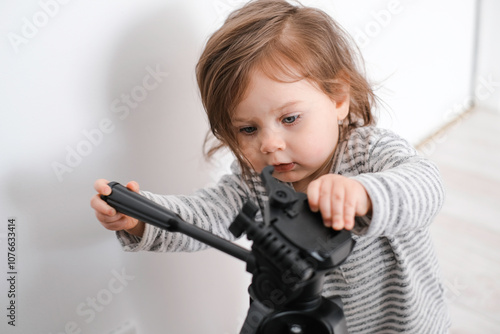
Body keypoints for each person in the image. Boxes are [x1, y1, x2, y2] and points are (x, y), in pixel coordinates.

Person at [90, 0, 450, 332]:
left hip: (405, 323)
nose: (269, 144)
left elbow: (426, 185)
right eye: (248, 129)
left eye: (290, 118)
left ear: (338, 98)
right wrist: (140, 219)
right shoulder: (257, 181)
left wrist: (365, 194)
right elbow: (204, 215)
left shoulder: (368, 152)